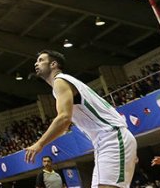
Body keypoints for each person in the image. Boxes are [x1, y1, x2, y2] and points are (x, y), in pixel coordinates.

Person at [24, 50, 137, 188]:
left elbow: (64, 118)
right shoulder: (65, 82)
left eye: (41, 60)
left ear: (53, 64)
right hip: (105, 141)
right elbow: (64, 125)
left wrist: (39, 144)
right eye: (37, 61)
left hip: (112, 137)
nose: (36, 63)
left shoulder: (60, 81)